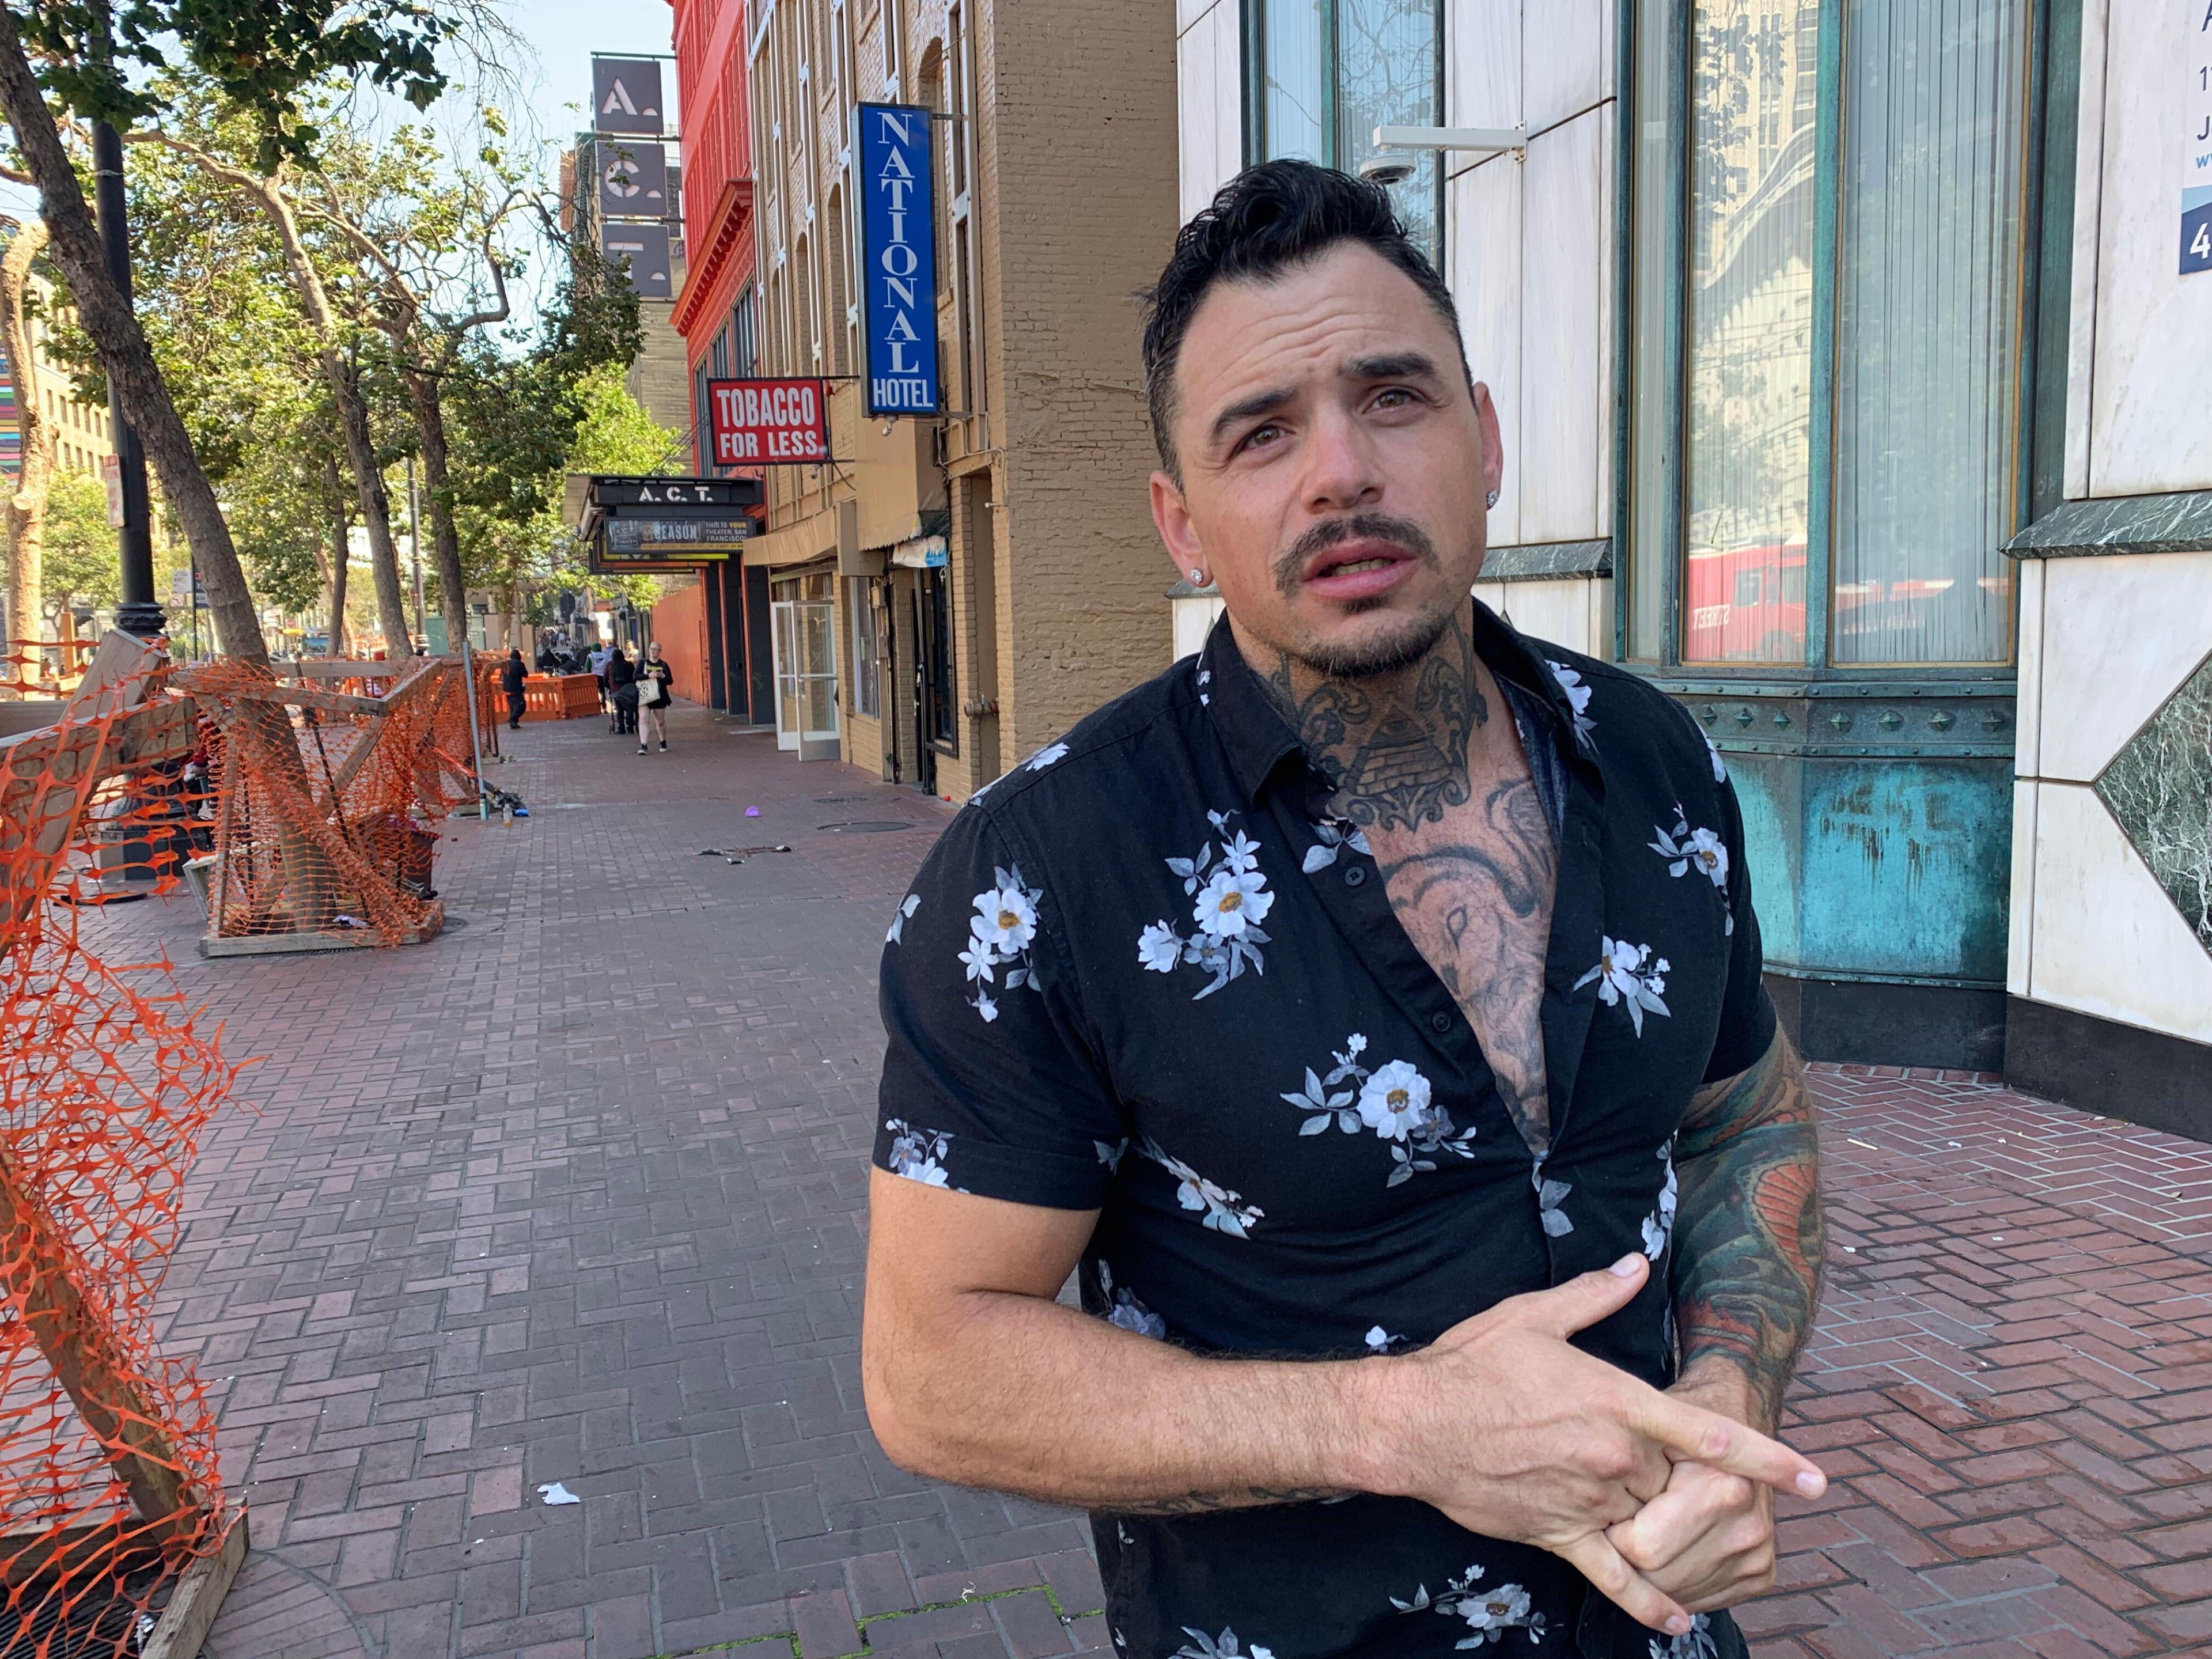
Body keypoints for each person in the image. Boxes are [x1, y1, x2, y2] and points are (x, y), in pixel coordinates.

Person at [861, 161, 1827, 1658]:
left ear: (1484, 438)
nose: (1340, 472)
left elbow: (1743, 1120)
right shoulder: (1043, 872)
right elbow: (931, 1366)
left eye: (1394, 399)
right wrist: (1397, 1426)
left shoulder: (1657, 767)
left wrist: (1730, 1395)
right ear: (1181, 523)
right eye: (1262, 433)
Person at [636, 642, 674, 754]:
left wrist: (662, 676)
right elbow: (635, 676)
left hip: (659, 696)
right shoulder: (643, 663)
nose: (653, 651)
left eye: (656, 649)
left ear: (659, 652)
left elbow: (670, 681)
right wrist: (648, 676)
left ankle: (663, 741)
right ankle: (644, 745)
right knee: (643, 719)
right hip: (645, 694)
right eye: (652, 649)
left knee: (660, 722)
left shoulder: (663, 665)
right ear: (649, 650)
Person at [605, 646, 637, 736]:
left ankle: (621, 728)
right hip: (628, 691)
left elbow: (605, 678)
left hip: (616, 692)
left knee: (620, 710)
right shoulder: (629, 665)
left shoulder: (610, 665)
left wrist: (609, 687)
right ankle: (630, 727)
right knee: (630, 709)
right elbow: (634, 677)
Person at [499, 648, 527, 731]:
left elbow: (500, 677)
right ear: (519, 657)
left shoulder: (505, 664)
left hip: (506, 689)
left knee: (512, 706)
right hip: (516, 689)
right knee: (521, 705)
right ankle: (512, 719)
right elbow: (526, 675)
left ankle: (513, 723)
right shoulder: (520, 664)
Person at [589, 639, 613, 713]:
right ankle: (604, 707)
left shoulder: (591, 656)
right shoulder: (604, 656)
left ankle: (596, 708)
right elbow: (608, 665)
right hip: (603, 675)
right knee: (602, 691)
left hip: (594, 676)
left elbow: (587, 666)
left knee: (594, 692)